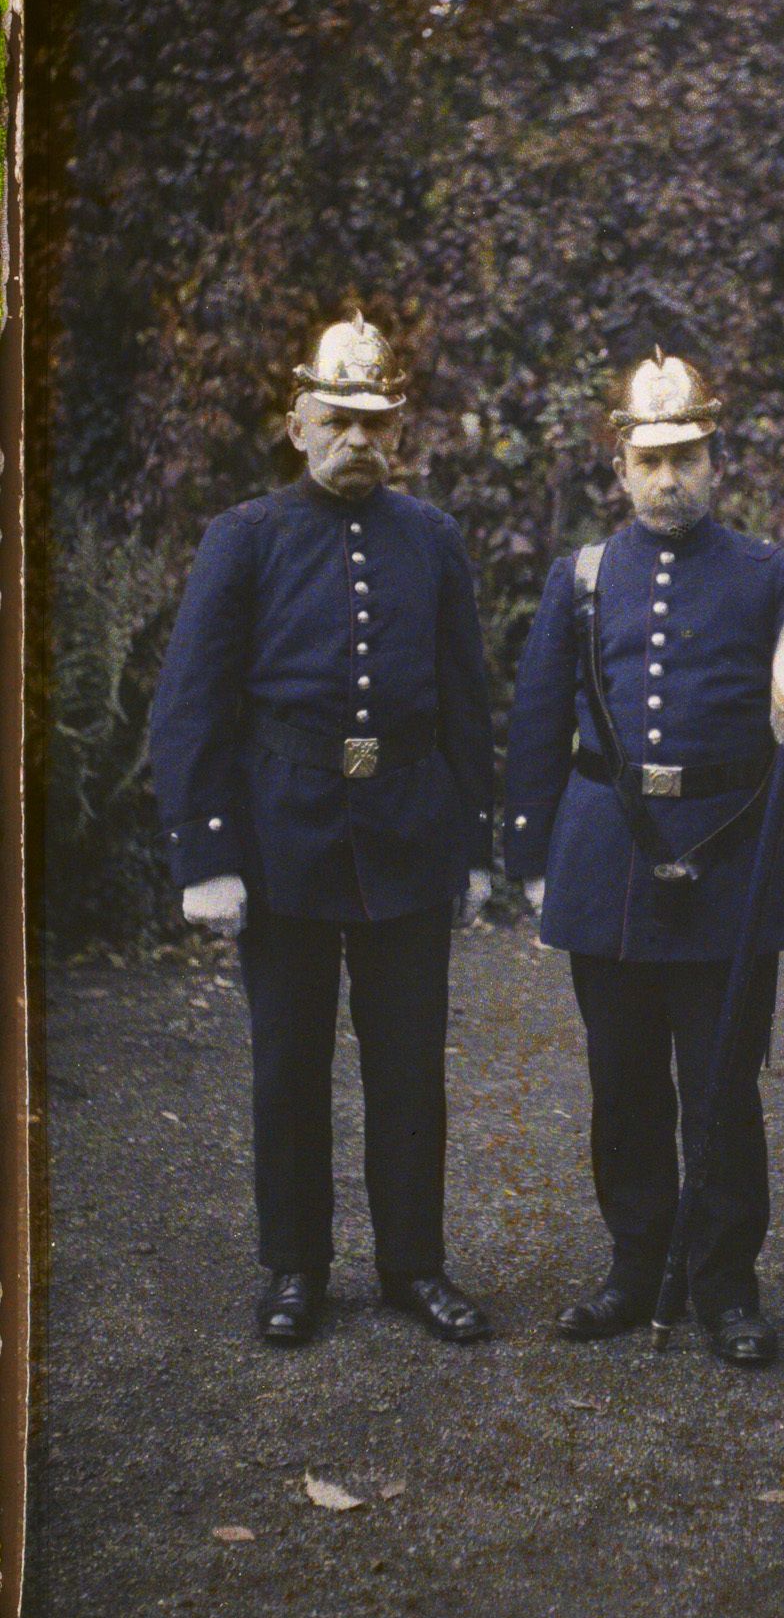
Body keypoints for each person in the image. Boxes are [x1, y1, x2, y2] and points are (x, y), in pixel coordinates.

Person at [150, 313, 495, 1347]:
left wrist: (472, 846)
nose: (358, 439)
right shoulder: (246, 536)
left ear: (399, 431)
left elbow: (465, 701)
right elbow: (190, 704)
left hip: (405, 831)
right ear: (295, 424)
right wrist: (206, 853)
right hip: (282, 834)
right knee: (288, 1065)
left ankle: (413, 1266)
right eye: (337, 419)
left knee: (408, 1067)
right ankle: (294, 1267)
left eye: (377, 422)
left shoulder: (429, 537)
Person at [501, 350, 784, 1368]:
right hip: (608, 858)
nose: (668, 476)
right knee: (622, 1080)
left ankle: (724, 1285)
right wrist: (533, 850)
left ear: (715, 459)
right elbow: (539, 716)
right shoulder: (579, 577)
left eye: (687, 455)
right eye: (649, 457)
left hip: (726, 856)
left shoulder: (771, 576)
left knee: (723, 1086)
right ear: (619, 465)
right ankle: (634, 1268)